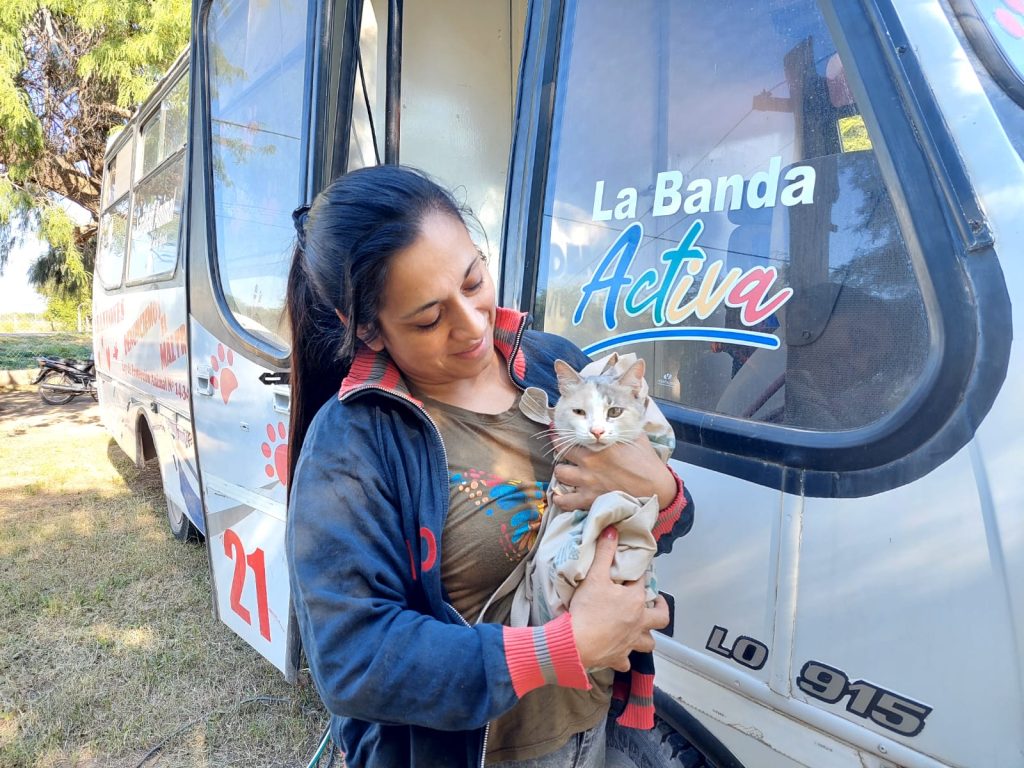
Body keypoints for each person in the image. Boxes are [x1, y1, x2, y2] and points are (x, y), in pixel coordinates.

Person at [285, 164, 694, 767]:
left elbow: (667, 514)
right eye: (428, 318)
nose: (472, 324)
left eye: (474, 280)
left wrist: (661, 488)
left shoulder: (557, 367)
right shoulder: (352, 445)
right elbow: (352, 661)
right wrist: (567, 645)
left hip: (592, 731)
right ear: (366, 328)